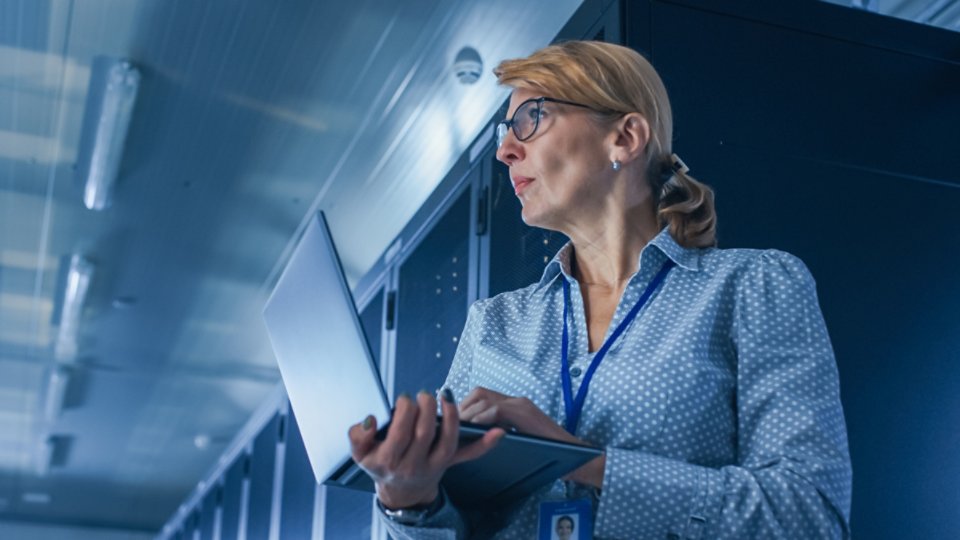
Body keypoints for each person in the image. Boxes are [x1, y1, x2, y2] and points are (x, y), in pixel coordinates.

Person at [349, 40, 852, 539]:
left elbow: (809, 516)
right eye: (505, 132)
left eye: (530, 118)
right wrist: (407, 499)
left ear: (625, 138)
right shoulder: (494, 323)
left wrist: (584, 462)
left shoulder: (753, 287)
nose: (505, 150)